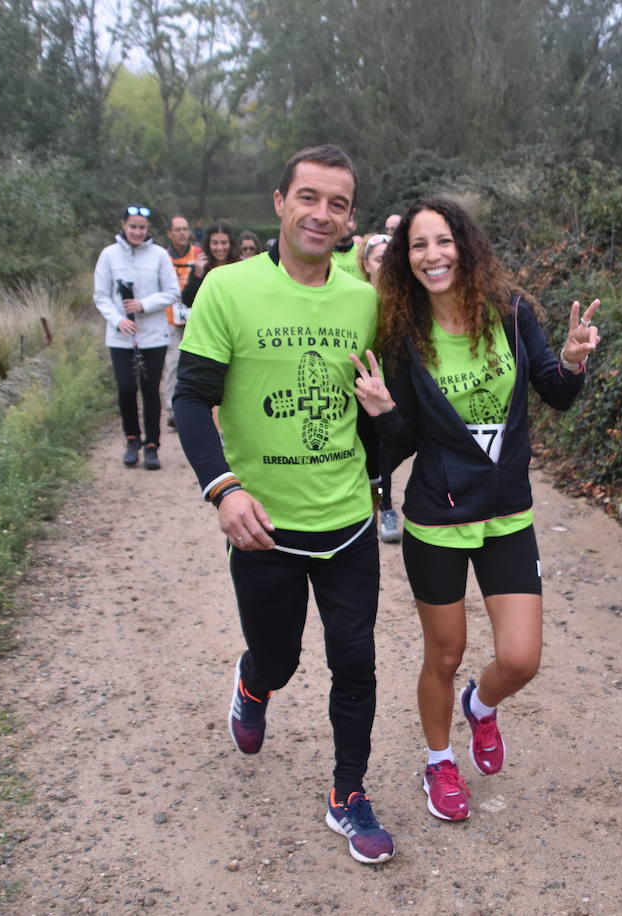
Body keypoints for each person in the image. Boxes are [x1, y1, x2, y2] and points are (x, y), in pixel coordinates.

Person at [172, 146, 394, 866]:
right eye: (308, 197)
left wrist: (384, 422)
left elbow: (376, 413)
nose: (321, 214)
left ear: (350, 217)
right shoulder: (229, 290)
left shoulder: (365, 301)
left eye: (336, 203)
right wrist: (223, 490)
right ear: (279, 202)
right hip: (263, 527)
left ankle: (348, 794)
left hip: (348, 520)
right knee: (281, 656)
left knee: (354, 660)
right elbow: (188, 398)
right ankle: (253, 681)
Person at [350, 198, 600, 823]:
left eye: (442, 241)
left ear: (464, 245)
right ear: (405, 260)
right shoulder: (403, 337)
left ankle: (481, 708)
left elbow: (556, 392)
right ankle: (439, 761)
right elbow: (403, 442)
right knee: (444, 654)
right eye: (418, 246)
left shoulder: (513, 315)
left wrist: (571, 359)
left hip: (507, 514)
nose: (433, 255)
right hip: (436, 518)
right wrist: (381, 409)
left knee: (520, 659)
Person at [93, 205, 179, 470]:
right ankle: (132, 439)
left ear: (148, 229)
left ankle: (152, 445)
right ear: (123, 225)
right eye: (133, 226)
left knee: (150, 390)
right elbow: (101, 295)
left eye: (142, 227)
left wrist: (144, 304)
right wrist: (117, 319)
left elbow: (172, 291)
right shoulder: (109, 255)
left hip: (152, 336)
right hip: (120, 338)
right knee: (126, 388)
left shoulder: (159, 255)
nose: (137, 232)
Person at [358, 233, 402, 544]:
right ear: (365, 265)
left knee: (387, 455)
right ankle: (377, 507)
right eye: (378, 259)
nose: (385, 265)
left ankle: (384, 504)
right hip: (364, 394)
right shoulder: (356, 303)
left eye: (390, 258)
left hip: (398, 392)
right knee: (373, 455)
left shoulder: (405, 303)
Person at [162, 215, 201, 429]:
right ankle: (172, 408)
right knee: (173, 362)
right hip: (170, 317)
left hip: (196, 316)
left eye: (185, 229)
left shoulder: (198, 253)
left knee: (195, 362)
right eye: (177, 229)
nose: (182, 233)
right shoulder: (163, 256)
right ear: (170, 233)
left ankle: (194, 405)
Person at [180, 222, 237, 308]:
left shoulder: (238, 265)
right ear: (208, 244)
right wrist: (197, 276)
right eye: (215, 243)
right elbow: (188, 301)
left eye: (224, 243)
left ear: (230, 244)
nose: (219, 248)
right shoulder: (200, 267)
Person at [331, 215, 367, 283]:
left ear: (354, 225)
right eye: (341, 220)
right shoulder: (322, 255)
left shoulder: (364, 253)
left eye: (349, 220)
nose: (345, 223)